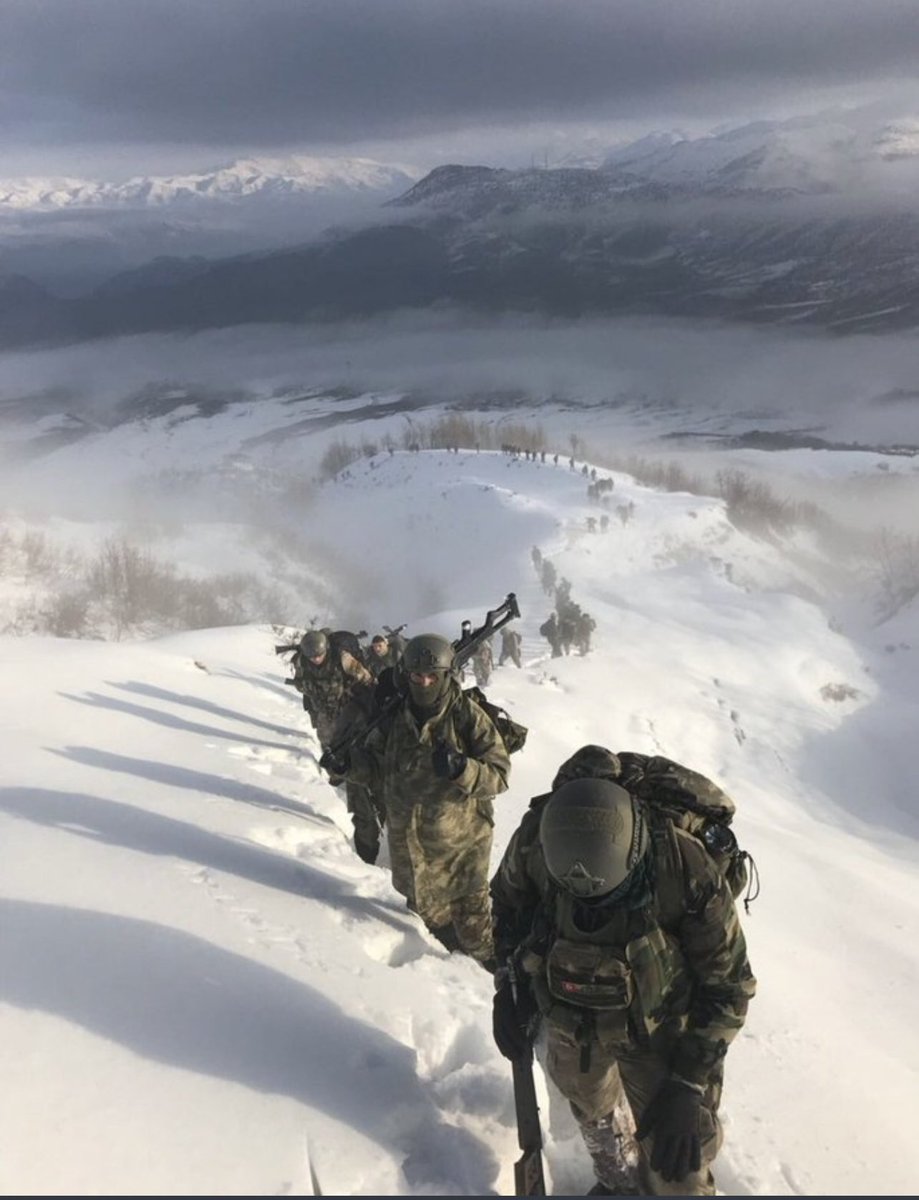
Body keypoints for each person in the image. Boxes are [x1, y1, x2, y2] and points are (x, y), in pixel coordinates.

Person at [490, 745, 756, 1196]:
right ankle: (616, 1178)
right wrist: (508, 991)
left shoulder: (683, 867)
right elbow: (508, 912)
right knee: (588, 1103)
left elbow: (729, 986)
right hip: (572, 1015)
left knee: (680, 1168)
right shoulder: (537, 839)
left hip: (662, 1027)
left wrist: (688, 1087)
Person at [326, 633, 511, 968]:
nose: (424, 682)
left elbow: (499, 775)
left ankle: (489, 986)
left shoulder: (466, 717)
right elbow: (375, 768)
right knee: (428, 927)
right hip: (410, 850)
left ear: (446, 675)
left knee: (476, 938)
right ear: (406, 675)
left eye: (432, 676)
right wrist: (349, 766)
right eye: (417, 676)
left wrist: (462, 769)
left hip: (460, 852)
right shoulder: (394, 718)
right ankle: (445, 977)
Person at [296, 629, 383, 865]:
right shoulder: (302, 662)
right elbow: (302, 686)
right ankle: (337, 779)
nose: (316, 659)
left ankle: (353, 780)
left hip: (349, 711)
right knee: (330, 748)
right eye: (312, 656)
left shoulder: (342, 659)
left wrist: (364, 704)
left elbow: (367, 680)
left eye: (319, 655)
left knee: (353, 747)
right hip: (325, 712)